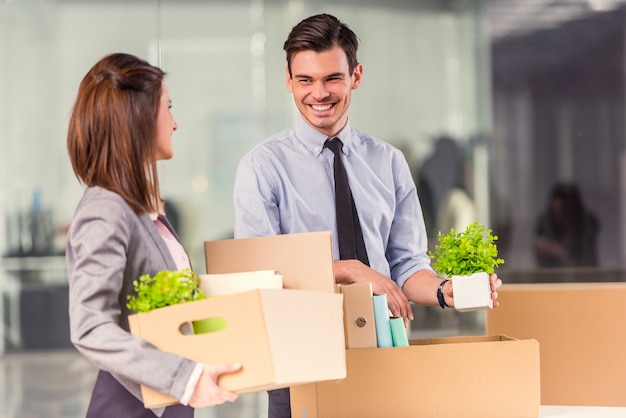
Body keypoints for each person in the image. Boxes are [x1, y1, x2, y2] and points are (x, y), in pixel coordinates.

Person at [233, 14, 502, 418]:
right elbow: (260, 275)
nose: (318, 93)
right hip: (301, 363)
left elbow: (406, 267)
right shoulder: (262, 168)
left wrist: (448, 291)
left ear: (356, 76)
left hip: (383, 358)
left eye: (332, 79)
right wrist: (351, 270)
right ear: (288, 80)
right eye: (305, 80)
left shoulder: (388, 162)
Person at [65, 53, 241, 418]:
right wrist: (186, 378)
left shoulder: (140, 207)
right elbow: (90, 326)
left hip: (166, 403)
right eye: (168, 107)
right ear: (141, 118)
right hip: (132, 406)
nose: (175, 123)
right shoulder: (106, 208)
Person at [534, 181, 599, 267]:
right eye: (556, 212)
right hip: (552, 276)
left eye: (563, 212)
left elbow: (585, 262)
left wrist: (562, 253)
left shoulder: (587, 225)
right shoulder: (545, 223)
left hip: (583, 276)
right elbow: (543, 261)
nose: (559, 217)